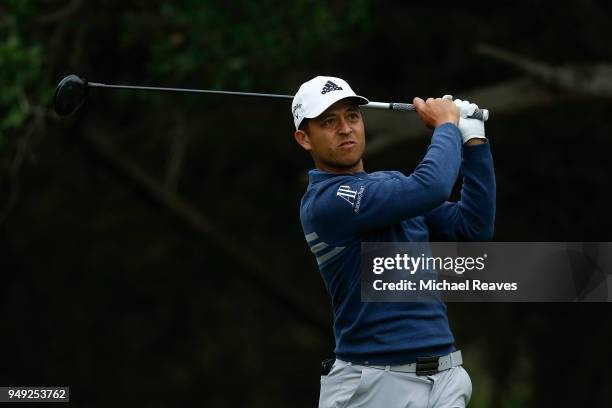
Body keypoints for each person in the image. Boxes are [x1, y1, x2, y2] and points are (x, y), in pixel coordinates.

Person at [292, 76, 495, 408]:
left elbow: (472, 228)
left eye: (352, 116)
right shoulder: (326, 203)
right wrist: (446, 126)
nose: (345, 128)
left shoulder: (391, 187)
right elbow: (432, 187)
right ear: (304, 139)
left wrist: (473, 141)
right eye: (329, 122)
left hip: (444, 378)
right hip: (374, 386)